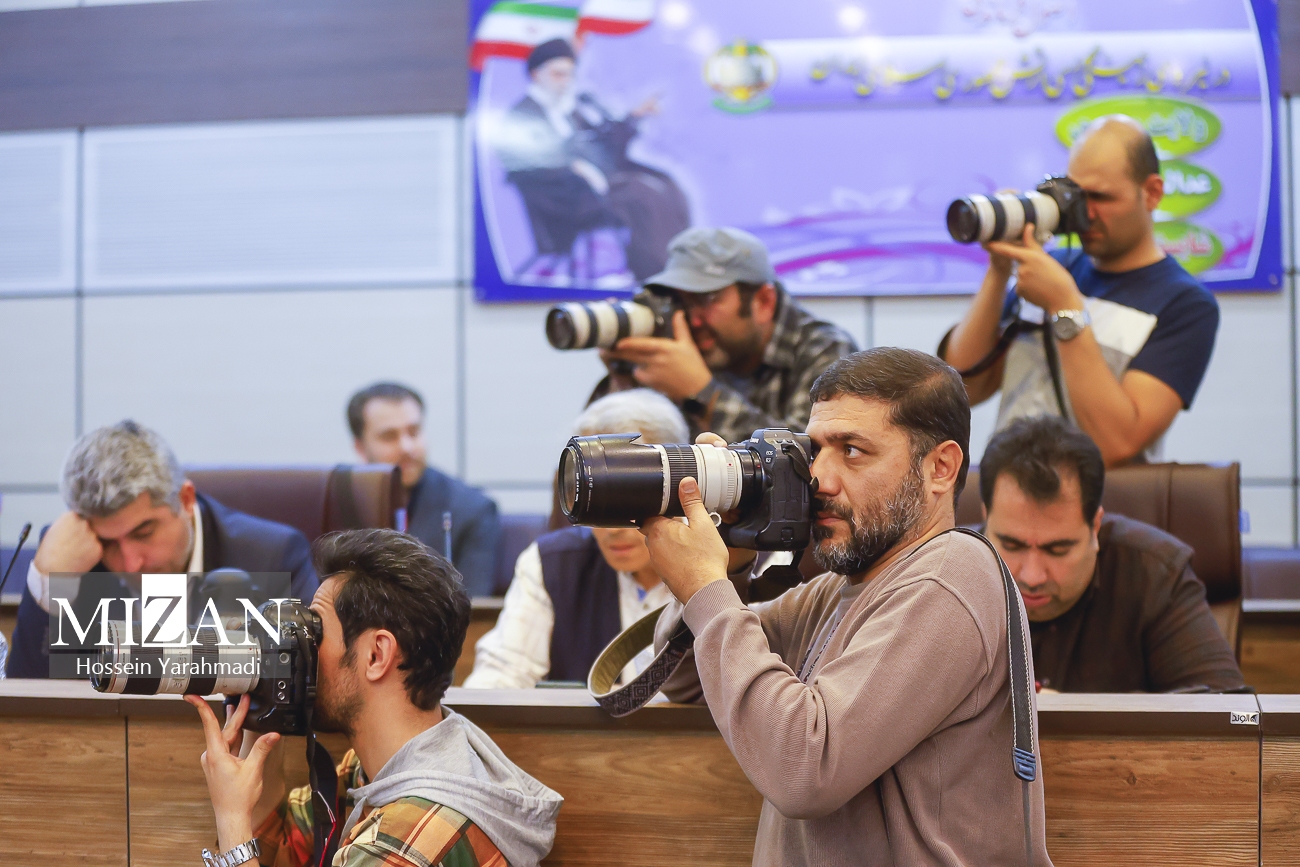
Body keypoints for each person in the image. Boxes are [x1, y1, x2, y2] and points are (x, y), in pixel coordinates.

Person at [642, 347, 1050, 865]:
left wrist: (706, 586)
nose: (820, 479)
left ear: (940, 468)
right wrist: (734, 557)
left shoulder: (949, 575)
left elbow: (803, 770)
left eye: (852, 451)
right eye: (815, 450)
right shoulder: (844, 587)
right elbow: (685, 677)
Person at [185, 528, 562, 867]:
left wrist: (231, 817)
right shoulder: (388, 766)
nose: (305, 651)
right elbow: (283, 851)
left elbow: (250, 842)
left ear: (376, 655)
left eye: (316, 633)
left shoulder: (410, 841)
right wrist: (264, 700)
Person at [940, 115, 1220, 466]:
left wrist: (1065, 307)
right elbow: (965, 388)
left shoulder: (1185, 304)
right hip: (1004, 489)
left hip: (1099, 499)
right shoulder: (1049, 269)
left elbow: (1118, 442)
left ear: (1152, 193)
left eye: (1101, 197)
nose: (1084, 214)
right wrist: (999, 270)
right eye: (1076, 194)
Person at [8, 420, 318, 678]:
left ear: (185, 499)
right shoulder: (74, 560)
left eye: (143, 533)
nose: (131, 563)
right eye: (108, 543)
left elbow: (306, 682)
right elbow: (26, 711)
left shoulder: (273, 557)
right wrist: (48, 581)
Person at [470, 389, 734, 687]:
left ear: (678, 476)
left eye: (627, 493)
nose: (612, 528)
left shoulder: (742, 559)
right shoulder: (551, 564)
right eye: (595, 502)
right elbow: (498, 680)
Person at [980, 416, 1244, 693]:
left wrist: (1077, 712)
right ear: (987, 519)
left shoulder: (1154, 572)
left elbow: (1233, 711)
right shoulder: (951, 570)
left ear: (1095, 526)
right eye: (1012, 546)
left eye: (1058, 550)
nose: (1032, 577)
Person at [596, 226, 859, 445]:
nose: (693, 319)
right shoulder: (688, 341)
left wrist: (702, 393)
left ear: (764, 301)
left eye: (707, 299)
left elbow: (809, 459)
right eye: (681, 301)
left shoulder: (825, 349)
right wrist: (624, 380)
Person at [494, 38, 690, 281]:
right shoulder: (522, 114)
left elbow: (603, 147)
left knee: (666, 185)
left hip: (594, 186)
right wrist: (575, 167)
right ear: (536, 75)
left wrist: (633, 117)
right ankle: (655, 274)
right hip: (562, 197)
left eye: (569, 75)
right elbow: (526, 163)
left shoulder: (570, 110)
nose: (565, 82)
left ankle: (681, 265)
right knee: (643, 196)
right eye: (558, 75)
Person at [348, 382, 501, 597]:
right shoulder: (337, 505)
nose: (407, 447)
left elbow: (473, 607)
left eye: (414, 432)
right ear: (360, 447)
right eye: (389, 436)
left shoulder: (472, 510)